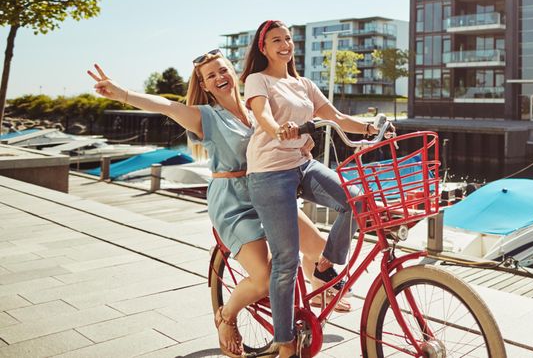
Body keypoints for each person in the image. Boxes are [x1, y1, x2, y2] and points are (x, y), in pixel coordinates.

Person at [87, 52, 346, 358]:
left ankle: (312, 293)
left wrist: (302, 143)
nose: (219, 77)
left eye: (222, 70)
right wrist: (122, 93)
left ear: (233, 73)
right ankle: (226, 315)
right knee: (263, 279)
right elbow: (166, 106)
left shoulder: (257, 106)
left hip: (269, 192)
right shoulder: (205, 116)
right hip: (234, 202)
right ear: (206, 85)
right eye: (211, 76)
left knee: (319, 249)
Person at [241, 20, 391, 357]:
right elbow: (261, 113)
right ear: (263, 48)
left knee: (358, 201)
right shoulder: (258, 79)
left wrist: (371, 128)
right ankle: (284, 343)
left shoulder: (304, 84)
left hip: (301, 164)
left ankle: (326, 265)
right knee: (286, 259)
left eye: (288, 39)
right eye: (276, 40)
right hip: (269, 172)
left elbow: (336, 116)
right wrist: (278, 129)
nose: (285, 45)